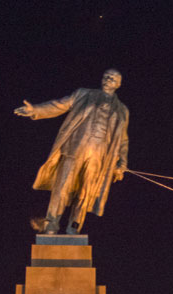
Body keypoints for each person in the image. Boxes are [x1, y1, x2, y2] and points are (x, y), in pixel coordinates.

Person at [15, 69, 129, 234]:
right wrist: (36, 110)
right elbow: (58, 105)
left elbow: (123, 140)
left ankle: (74, 227)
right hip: (75, 149)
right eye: (106, 76)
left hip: (99, 156)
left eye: (113, 78)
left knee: (85, 192)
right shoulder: (83, 94)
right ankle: (51, 225)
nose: (108, 79)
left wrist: (121, 164)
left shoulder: (122, 110)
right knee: (62, 186)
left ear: (118, 84)